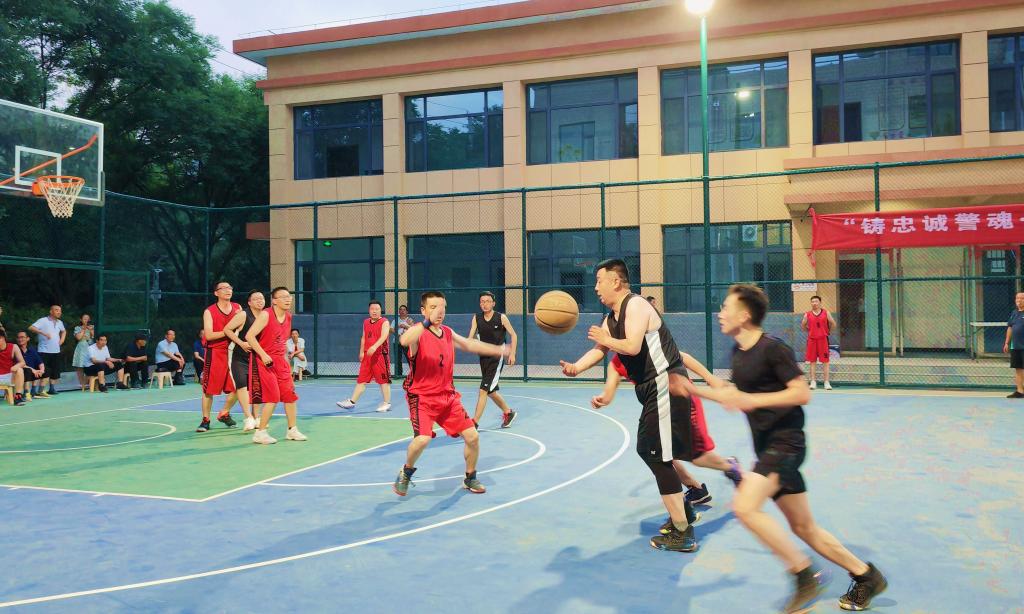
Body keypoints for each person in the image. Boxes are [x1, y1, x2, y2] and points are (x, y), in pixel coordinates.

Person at [682, 284, 887, 613]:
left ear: (744, 315)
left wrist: (754, 400)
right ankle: (866, 576)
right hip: (767, 448)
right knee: (804, 528)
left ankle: (804, 576)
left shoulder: (773, 349)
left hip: (786, 443)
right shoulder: (739, 353)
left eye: (725, 307)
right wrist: (691, 389)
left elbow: (801, 393)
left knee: (745, 507)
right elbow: (736, 396)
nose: (720, 313)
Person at [560, 259, 699, 553]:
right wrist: (576, 367)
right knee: (649, 450)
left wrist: (606, 338)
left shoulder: (635, 305)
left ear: (616, 281)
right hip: (652, 389)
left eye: (599, 281)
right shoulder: (611, 317)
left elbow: (632, 346)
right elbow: (600, 350)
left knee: (657, 455)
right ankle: (684, 513)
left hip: (665, 384)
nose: (595, 287)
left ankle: (683, 531)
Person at [392, 290, 510, 497]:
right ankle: (406, 472)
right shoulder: (418, 334)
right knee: (423, 439)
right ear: (423, 310)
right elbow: (404, 340)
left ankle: (470, 477)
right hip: (422, 398)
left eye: (442, 307)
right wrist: (426, 322)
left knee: (472, 436)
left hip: (448, 397)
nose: (439, 311)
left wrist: (498, 349)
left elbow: (468, 343)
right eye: (433, 307)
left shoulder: (447, 332)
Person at [595, 351, 742, 511]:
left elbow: (684, 357)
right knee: (656, 452)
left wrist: (710, 378)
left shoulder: (649, 346)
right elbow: (608, 392)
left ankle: (730, 467)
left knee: (697, 457)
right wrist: (602, 399)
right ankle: (695, 489)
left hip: (682, 400)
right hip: (658, 409)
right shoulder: (616, 364)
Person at [247, 287, 307, 444]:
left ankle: (292, 430)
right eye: (283, 297)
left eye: (289, 297)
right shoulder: (266, 315)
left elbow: (282, 341)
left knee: (289, 395)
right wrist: (263, 354)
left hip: (280, 361)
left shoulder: (288, 316)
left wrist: (286, 363)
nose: (288, 299)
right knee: (273, 396)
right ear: (274, 301)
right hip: (264, 361)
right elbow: (249, 336)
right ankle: (260, 433)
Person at [467, 291, 518, 428]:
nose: (485, 304)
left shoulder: (501, 318)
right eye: (482, 301)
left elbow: (514, 335)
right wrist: (469, 342)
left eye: (488, 301)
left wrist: (512, 354)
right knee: (491, 391)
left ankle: (474, 423)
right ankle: (508, 413)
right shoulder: (476, 318)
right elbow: (470, 337)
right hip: (483, 357)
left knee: (483, 389)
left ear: (493, 303)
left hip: (497, 357)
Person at [198, 281, 242, 432]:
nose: (228, 290)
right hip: (215, 352)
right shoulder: (209, 311)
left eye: (230, 288)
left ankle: (224, 413)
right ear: (216, 293)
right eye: (224, 288)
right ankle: (205, 420)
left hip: (233, 351)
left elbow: (242, 328)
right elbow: (209, 335)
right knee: (208, 390)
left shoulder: (237, 308)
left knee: (239, 386)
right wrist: (228, 331)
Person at [336, 300, 392, 413]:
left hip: (380, 356)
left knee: (383, 381)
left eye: (377, 309)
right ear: (369, 310)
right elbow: (364, 337)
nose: (374, 311)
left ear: (380, 310)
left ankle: (386, 403)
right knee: (361, 380)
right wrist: (361, 351)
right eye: (372, 309)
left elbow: (384, 336)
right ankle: (351, 402)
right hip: (367, 356)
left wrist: (374, 347)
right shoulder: (366, 322)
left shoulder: (384, 322)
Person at [222, 290, 264, 432]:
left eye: (262, 298)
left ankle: (256, 417)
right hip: (238, 355)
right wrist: (241, 343)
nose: (260, 301)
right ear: (249, 302)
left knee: (257, 387)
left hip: (256, 356)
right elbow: (227, 329)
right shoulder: (244, 315)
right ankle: (248, 417)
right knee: (242, 385)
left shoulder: (266, 316)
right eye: (256, 299)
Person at [29, 304, 66, 396]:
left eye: (60, 310)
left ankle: (51, 389)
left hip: (56, 351)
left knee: (54, 370)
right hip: (43, 351)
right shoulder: (43, 320)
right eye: (57, 310)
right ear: (51, 311)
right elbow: (31, 328)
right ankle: (33, 390)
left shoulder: (60, 322)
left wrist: (61, 340)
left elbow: (64, 331)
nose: (59, 312)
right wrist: (43, 333)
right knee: (41, 370)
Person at [801, 295, 837, 391]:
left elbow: (833, 323)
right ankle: (813, 382)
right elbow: (803, 325)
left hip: (823, 340)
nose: (814, 303)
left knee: (825, 361)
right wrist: (809, 331)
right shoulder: (807, 314)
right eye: (812, 301)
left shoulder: (826, 313)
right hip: (812, 340)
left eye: (816, 301)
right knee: (812, 361)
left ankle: (826, 382)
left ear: (820, 303)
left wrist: (828, 332)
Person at [1003, 291, 1024, 398]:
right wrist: (1007, 342)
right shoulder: (1014, 313)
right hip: (1015, 346)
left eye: (1022, 298)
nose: (1019, 300)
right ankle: (1020, 391)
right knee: (1018, 368)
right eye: (1017, 298)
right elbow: (1010, 327)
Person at [0, 329, 28, 406]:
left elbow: (22, 362)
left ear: (3, 338)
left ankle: (18, 396)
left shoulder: (13, 347)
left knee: (19, 370)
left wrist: (16, 366)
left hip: (9, 376)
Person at [15, 331, 44, 400]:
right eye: (18, 338)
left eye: (22, 337)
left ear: (28, 338)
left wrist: (42, 370)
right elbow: (18, 364)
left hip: (31, 371)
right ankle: (26, 393)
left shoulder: (32, 349)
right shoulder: (15, 349)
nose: (20, 339)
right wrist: (32, 370)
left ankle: (35, 392)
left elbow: (40, 362)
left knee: (46, 370)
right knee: (27, 371)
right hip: (19, 371)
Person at [71, 314, 95, 388]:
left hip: (90, 348)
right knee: (80, 366)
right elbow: (78, 338)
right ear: (81, 320)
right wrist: (84, 329)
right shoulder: (78, 328)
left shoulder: (92, 327)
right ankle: (82, 384)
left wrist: (91, 330)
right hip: (81, 348)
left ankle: (90, 382)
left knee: (91, 364)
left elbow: (93, 337)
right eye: (84, 319)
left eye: (88, 319)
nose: (86, 320)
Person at [393, 304, 415, 376]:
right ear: (399, 311)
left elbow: (413, 329)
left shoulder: (409, 320)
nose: (402, 311)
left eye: (404, 310)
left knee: (409, 358)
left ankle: (413, 373)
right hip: (397, 342)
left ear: (407, 311)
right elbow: (391, 329)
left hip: (406, 342)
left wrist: (405, 326)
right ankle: (399, 374)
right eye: (400, 309)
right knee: (398, 359)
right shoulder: (395, 320)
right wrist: (398, 334)